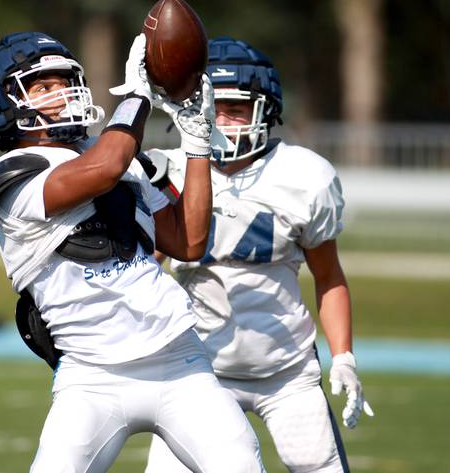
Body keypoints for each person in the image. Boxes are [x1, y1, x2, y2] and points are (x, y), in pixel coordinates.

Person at [0, 31, 265, 473]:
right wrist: (137, 98)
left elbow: (188, 241)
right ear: (2, 105)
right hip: (92, 376)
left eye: (64, 80)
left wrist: (197, 142)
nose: (62, 92)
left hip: (178, 359)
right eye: (43, 87)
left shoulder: (120, 160)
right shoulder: (13, 175)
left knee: (240, 463)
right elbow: (104, 169)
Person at [145, 37, 374, 473]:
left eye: (235, 108)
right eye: (213, 108)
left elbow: (329, 277)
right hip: (197, 374)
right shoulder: (165, 170)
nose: (222, 121)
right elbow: (142, 269)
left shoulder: (304, 176)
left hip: (286, 374)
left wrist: (343, 356)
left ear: (265, 111)